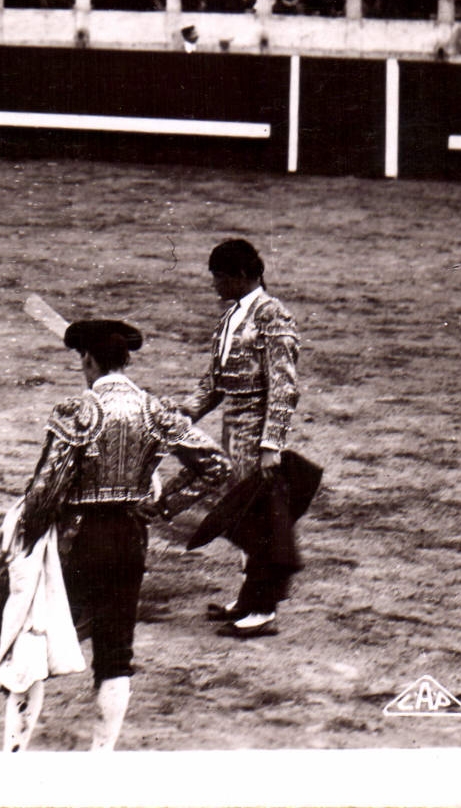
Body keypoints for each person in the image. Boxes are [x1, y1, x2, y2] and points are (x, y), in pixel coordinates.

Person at [0, 320, 229, 752]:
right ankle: (101, 756)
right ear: (125, 361)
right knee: (115, 655)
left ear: (88, 360)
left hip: (75, 541)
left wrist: (24, 537)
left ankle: (15, 753)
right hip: (129, 539)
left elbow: (45, 491)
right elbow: (217, 465)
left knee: (32, 644)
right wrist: (162, 506)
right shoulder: (157, 411)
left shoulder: (78, 412)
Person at [181, 239, 304, 638]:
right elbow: (215, 381)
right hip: (233, 432)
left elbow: (284, 388)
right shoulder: (233, 315)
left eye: (219, 277)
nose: (214, 284)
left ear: (240, 275)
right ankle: (250, 599)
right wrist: (185, 412)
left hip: (256, 435)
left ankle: (263, 610)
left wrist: (271, 445)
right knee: (243, 517)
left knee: (259, 521)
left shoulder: (273, 316)